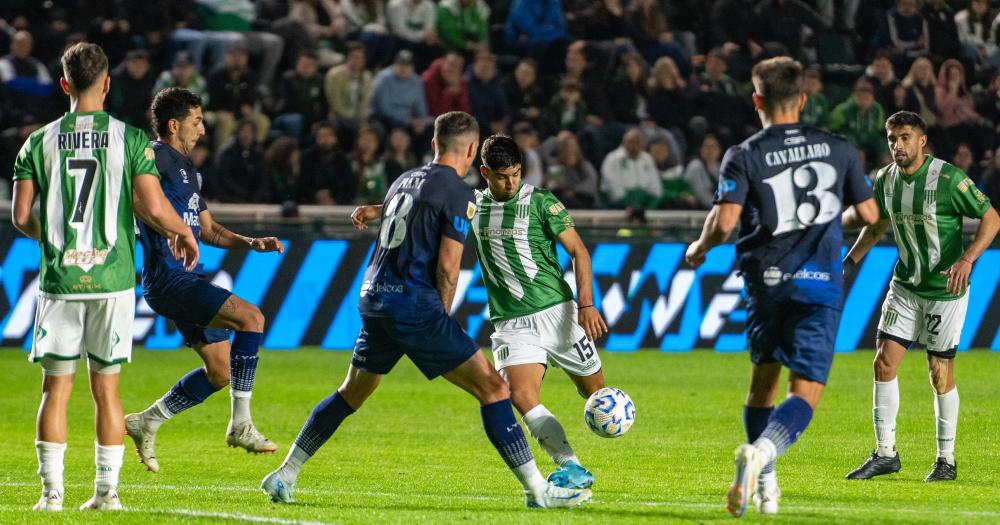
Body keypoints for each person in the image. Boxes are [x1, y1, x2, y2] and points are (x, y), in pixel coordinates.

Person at [259, 111, 591, 509]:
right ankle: (539, 491)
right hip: (415, 307)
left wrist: (372, 209)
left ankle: (284, 474)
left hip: (375, 298)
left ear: (434, 144)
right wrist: (440, 318)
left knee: (352, 392)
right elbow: (448, 267)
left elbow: (403, 212)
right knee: (494, 389)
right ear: (471, 150)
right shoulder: (457, 192)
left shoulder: (404, 179)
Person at [352, 133, 610, 490]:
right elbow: (425, 206)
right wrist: (377, 210)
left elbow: (580, 252)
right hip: (510, 324)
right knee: (520, 396)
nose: (511, 182)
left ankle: (606, 415)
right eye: (503, 176)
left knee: (595, 392)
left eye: (517, 174)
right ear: (485, 172)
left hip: (559, 314)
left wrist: (586, 305)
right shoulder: (472, 204)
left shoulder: (542, 203)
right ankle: (571, 466)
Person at [684, 56, 878, 518]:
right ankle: (763, 457)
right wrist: (836, 217)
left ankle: (766, 486)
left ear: (757, 101)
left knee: (762, 387)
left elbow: (726, 221)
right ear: (804, 98)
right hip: (819, 282)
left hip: (765, 281)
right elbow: (870, 216)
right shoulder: (838, 147)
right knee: (805, 389)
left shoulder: (745, 153)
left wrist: (699, 246)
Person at [12, 42, 198, 511]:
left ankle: (51, 495)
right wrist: (184, 233)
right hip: (113, 278)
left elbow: (19, 216)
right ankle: (106, 494)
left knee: (56, 389)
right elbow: (154, 208)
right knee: (106, 389)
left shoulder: (37, 141)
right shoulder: (131, 139)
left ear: (64, 84)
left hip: (60, 280)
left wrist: (49, 236)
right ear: (108, 83)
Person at [124, 87, 286, 475]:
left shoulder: (189, 171)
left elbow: (208, 229)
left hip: (185, 276)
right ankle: (241, 424)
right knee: (252, 319)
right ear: (174, 124)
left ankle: (148, 420)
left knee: (220, 373)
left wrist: (250, 242)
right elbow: (135, 199)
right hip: (169, 278)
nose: (202, 128)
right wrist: (172, 231)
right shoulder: (155, 156)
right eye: (196, 120)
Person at [843, 111, 1000, 483]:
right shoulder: (885, 180)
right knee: (883, 362)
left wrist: (967, 259)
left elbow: (991, 218)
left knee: (939, 372)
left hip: (945, 290)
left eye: (905, 137)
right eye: (892, 139)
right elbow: (879, 222)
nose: (898, 145)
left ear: (922, 141)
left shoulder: (948, 179)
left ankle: (946, 459)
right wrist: (851, 260)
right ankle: (885, 454)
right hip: (906, 286)